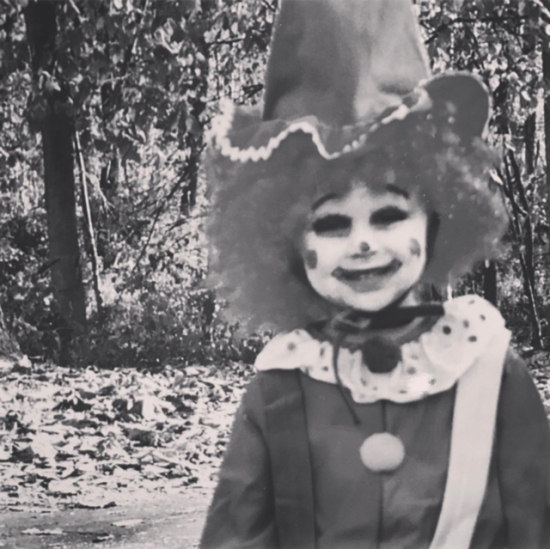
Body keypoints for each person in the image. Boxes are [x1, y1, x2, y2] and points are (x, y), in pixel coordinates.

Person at [200, 0, 550, 548]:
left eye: (388, 215)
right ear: (288, 244)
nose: (363, 242)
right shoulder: (280, 385)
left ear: (437, 218)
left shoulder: (486, 367)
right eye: (332, 224)